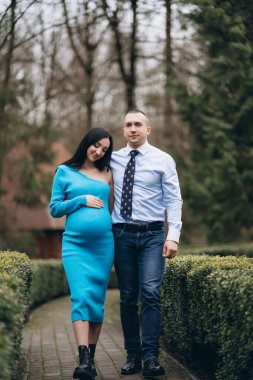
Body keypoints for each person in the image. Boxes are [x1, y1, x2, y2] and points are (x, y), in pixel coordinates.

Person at [110, 109, 183, 378]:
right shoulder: (113, 159)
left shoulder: (164, 160)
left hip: (153, 235)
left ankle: (151, 357)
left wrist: (172, 235)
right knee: (128, 297)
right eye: (128, 124)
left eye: (138, 124)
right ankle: (133, 356)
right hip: (121, 235)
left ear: (148, 129)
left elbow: (174, 200)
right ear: (124, 130)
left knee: (150, 293)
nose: (133, 129)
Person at [49, 127, 114, 380]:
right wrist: (81, 199)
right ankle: (83, 357)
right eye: (96, 145)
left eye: (104, 149)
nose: (99, 151)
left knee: (96, 301)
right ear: (87, 142)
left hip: (103, 245)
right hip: (75, 245)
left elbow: (117, 208)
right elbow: (55, 209)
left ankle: (92, 359)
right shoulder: (64, 172)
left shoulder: (108, 172)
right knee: (80, 297)